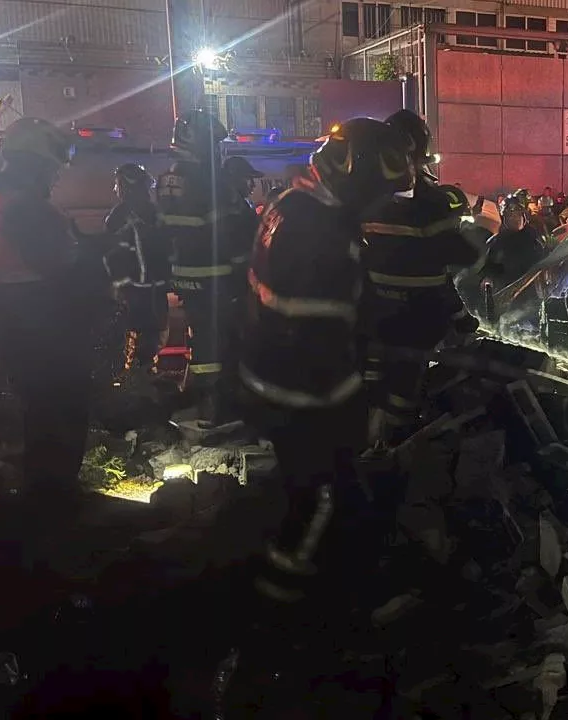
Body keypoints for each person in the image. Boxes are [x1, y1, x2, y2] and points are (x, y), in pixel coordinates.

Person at [239, 117, 412, 609]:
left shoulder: (292, 203)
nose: (380, 204)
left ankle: (338, 583)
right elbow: (324, 330)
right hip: (305, 392)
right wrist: (359, 401)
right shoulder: (324, 230)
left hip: (270, 375)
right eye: (380, 190)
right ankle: (283, 602)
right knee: (320, 497)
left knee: (322, 488)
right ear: (354, 174)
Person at [0, 117, 93, 519]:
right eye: (53, 168)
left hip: (22, 319)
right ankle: (55, 501)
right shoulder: (23, 206)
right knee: (59, 409)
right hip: (41, 322)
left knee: (42, 410)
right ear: (35, 163)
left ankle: (48, 493)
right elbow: (63, 263)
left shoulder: (0, 199)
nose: (56, 176)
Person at [362, 110, 483, 445]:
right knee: (403, 386)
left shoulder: (362, 198)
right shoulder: (432, 202)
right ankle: (391, 452)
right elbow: (442, 271)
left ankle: (369, 441)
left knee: (373, 381)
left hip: (369, 312)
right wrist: (463, 321)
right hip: (415, 317)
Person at [157, 108, 258, 426]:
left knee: (201, 340)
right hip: (216, 276)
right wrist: (247, 272)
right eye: (214, 144)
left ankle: (202, 402)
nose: (217, 151)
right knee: (219, 343)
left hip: (186, 276)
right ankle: (217, 409)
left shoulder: (168, 179)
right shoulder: (211, 184)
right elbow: (230, 235)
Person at [103, 163, 171, 385]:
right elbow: (113, 255)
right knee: (138, 333)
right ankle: (134, 379)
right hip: (139, 288)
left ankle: (142, 376)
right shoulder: (124, 216)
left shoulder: (143, 213)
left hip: (146, 287)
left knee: (150, 332)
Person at [485, 197, 547, 291]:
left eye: (518, 215)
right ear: (503, 218)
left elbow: (544, 264)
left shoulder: (535, 238)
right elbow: (489, 270)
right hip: (506, 294)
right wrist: (488, 280)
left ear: (524, 216)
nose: (515, 218)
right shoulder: (495, 243)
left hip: (531, 294)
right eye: (510, 215)